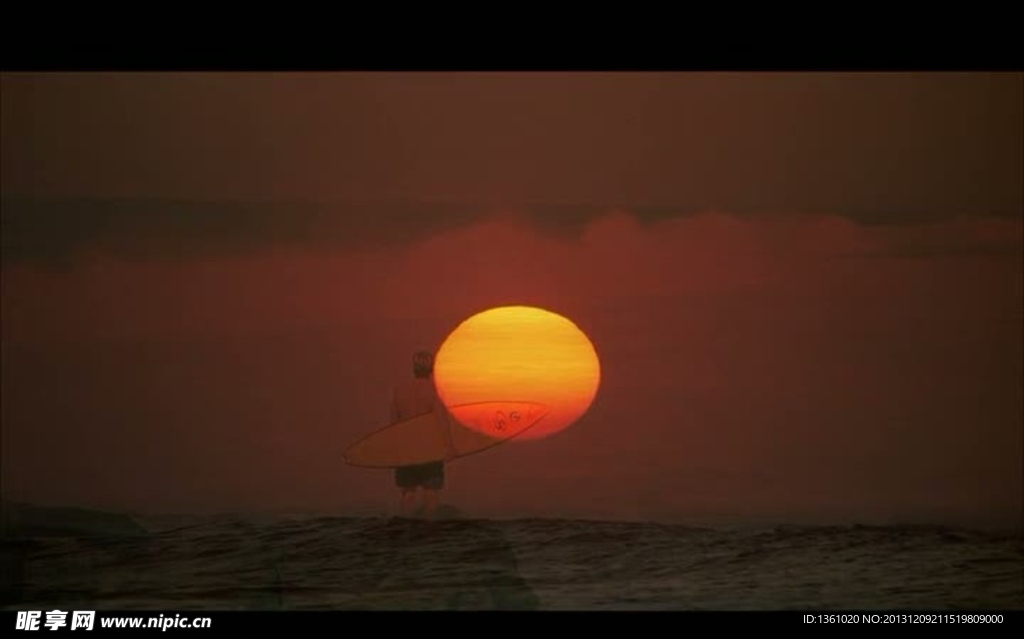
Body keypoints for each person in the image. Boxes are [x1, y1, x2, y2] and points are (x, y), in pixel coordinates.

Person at [391, 350, 456, 519]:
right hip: (429, 449)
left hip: (406, 449)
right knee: (430, 490)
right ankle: (429, 529)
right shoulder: (434, 392)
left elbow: (393, 425)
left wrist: (395, 451)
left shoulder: (399, 391)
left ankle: (405, 524)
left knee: (408, 491)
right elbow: (442, 422)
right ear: (431, 369)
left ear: (414, 368)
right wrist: (449, 447)